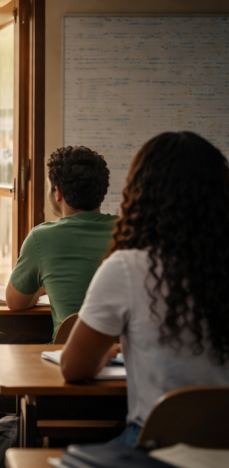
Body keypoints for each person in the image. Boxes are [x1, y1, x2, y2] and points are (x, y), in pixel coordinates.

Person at [61, 131, 229, 446]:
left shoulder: (127, 267)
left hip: (159, 446)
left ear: (139, 193)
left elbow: (73, 367)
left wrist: (113, 348)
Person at [0, 145, 115, 451]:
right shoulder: (128, 232)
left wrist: (45, 284)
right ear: (101, 192)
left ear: (57, 193)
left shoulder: (44, 237)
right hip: (118, 374)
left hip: (63, 368)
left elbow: (16, 302)